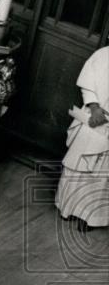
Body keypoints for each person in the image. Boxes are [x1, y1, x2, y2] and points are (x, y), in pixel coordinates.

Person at [55, 45, 109, 230]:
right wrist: (94, 108)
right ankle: (68, 209)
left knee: (101, 175)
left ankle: (91, 217)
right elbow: (87, 83)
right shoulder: (102, 55)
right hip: (94, 117)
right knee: (78, 166)